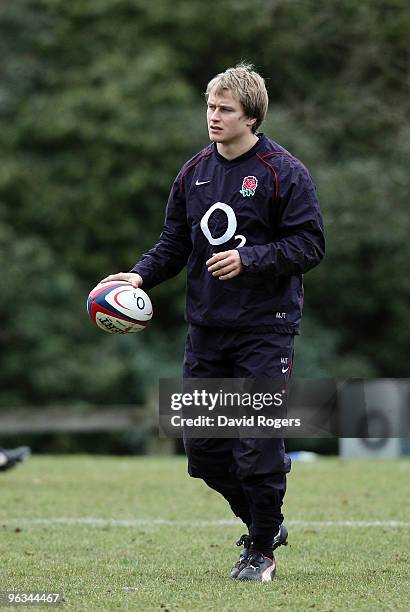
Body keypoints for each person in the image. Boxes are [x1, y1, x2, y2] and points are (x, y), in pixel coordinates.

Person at [101, 63, 324, 581]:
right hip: (207, 328)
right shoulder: (193, 172)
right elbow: (175, 244)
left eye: (225, 109)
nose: (214, 117)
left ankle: (261, 548)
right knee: (202, 449)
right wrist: (137, 277)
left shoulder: (283, 172)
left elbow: (310, 244)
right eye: (210, 107)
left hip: (267, 328)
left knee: (255, 443)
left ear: (251, 115)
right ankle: (264, 518)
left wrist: (252, 260)